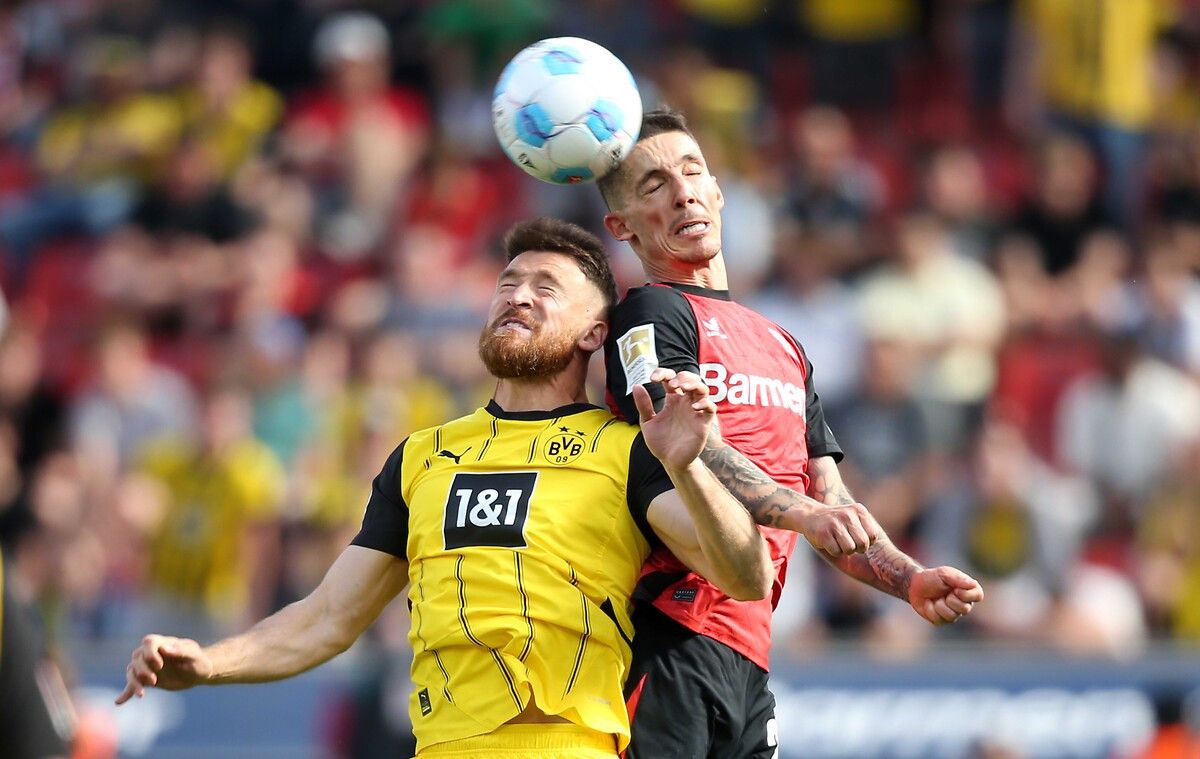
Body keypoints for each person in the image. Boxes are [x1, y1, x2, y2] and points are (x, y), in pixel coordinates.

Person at [116, 217, 773, 759]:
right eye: (508, 282)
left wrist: (689, 467)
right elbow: (328, 616)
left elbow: (746, 574)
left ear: (595, 332)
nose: (518, 295)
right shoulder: (420, 457)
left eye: (546, 287)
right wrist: (210, 663)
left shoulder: (626, 449)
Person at [597, 107, 985, 758]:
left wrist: (907, 579)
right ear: (622, 225)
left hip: (751, 652)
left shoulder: (785, 345)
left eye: (693, 172)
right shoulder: (651, 312)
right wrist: (806, 514)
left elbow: (831, 499)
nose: (684, 193)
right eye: (655, 185)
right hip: (669, 634)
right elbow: (688, 442)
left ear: (719, 190)